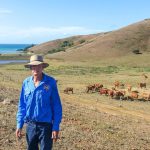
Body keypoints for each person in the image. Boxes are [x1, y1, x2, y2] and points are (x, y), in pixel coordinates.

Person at [16, 55, 62, 150]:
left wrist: (55, 126)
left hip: (46, 126)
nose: (36, 68)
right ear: (30, 67)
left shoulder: (50, 82)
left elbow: (56, 106)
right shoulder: (26, 83)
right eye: (33, 66)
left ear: (42, 67)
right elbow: (22, 105)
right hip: (30, 125)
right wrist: (19, 125)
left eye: (38, 66)